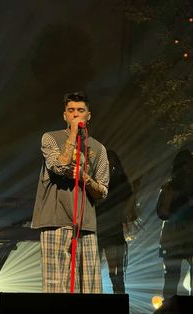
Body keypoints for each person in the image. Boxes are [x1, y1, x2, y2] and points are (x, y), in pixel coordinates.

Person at [31, 91, 109, 293]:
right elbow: (59, 165)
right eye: (71, 110)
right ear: (64, 115)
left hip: (86, 225)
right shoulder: (50, 138)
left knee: (89, 288)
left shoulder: (99, 149)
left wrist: (87, 179)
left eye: (80, 111)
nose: (76, 115)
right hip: (55, 221)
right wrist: (73, 134)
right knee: (56, 287)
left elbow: (102, 191)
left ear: (88, 115)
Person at [96, 149, 141, 294]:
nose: (109, 164)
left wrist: (134, 192)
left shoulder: (119, 180)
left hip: (112, 229)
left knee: (116, 272)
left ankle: (118, 297)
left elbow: (128, 209)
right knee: (108, 271)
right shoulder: (98, 179)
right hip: (101, 229)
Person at [156, 148, 193, 301]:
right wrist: (169, 199)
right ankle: (169, 309)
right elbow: (162, 214)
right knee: (171, 278)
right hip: (173, 238)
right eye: (188, 165)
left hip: (188, 236)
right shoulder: (168, 188)